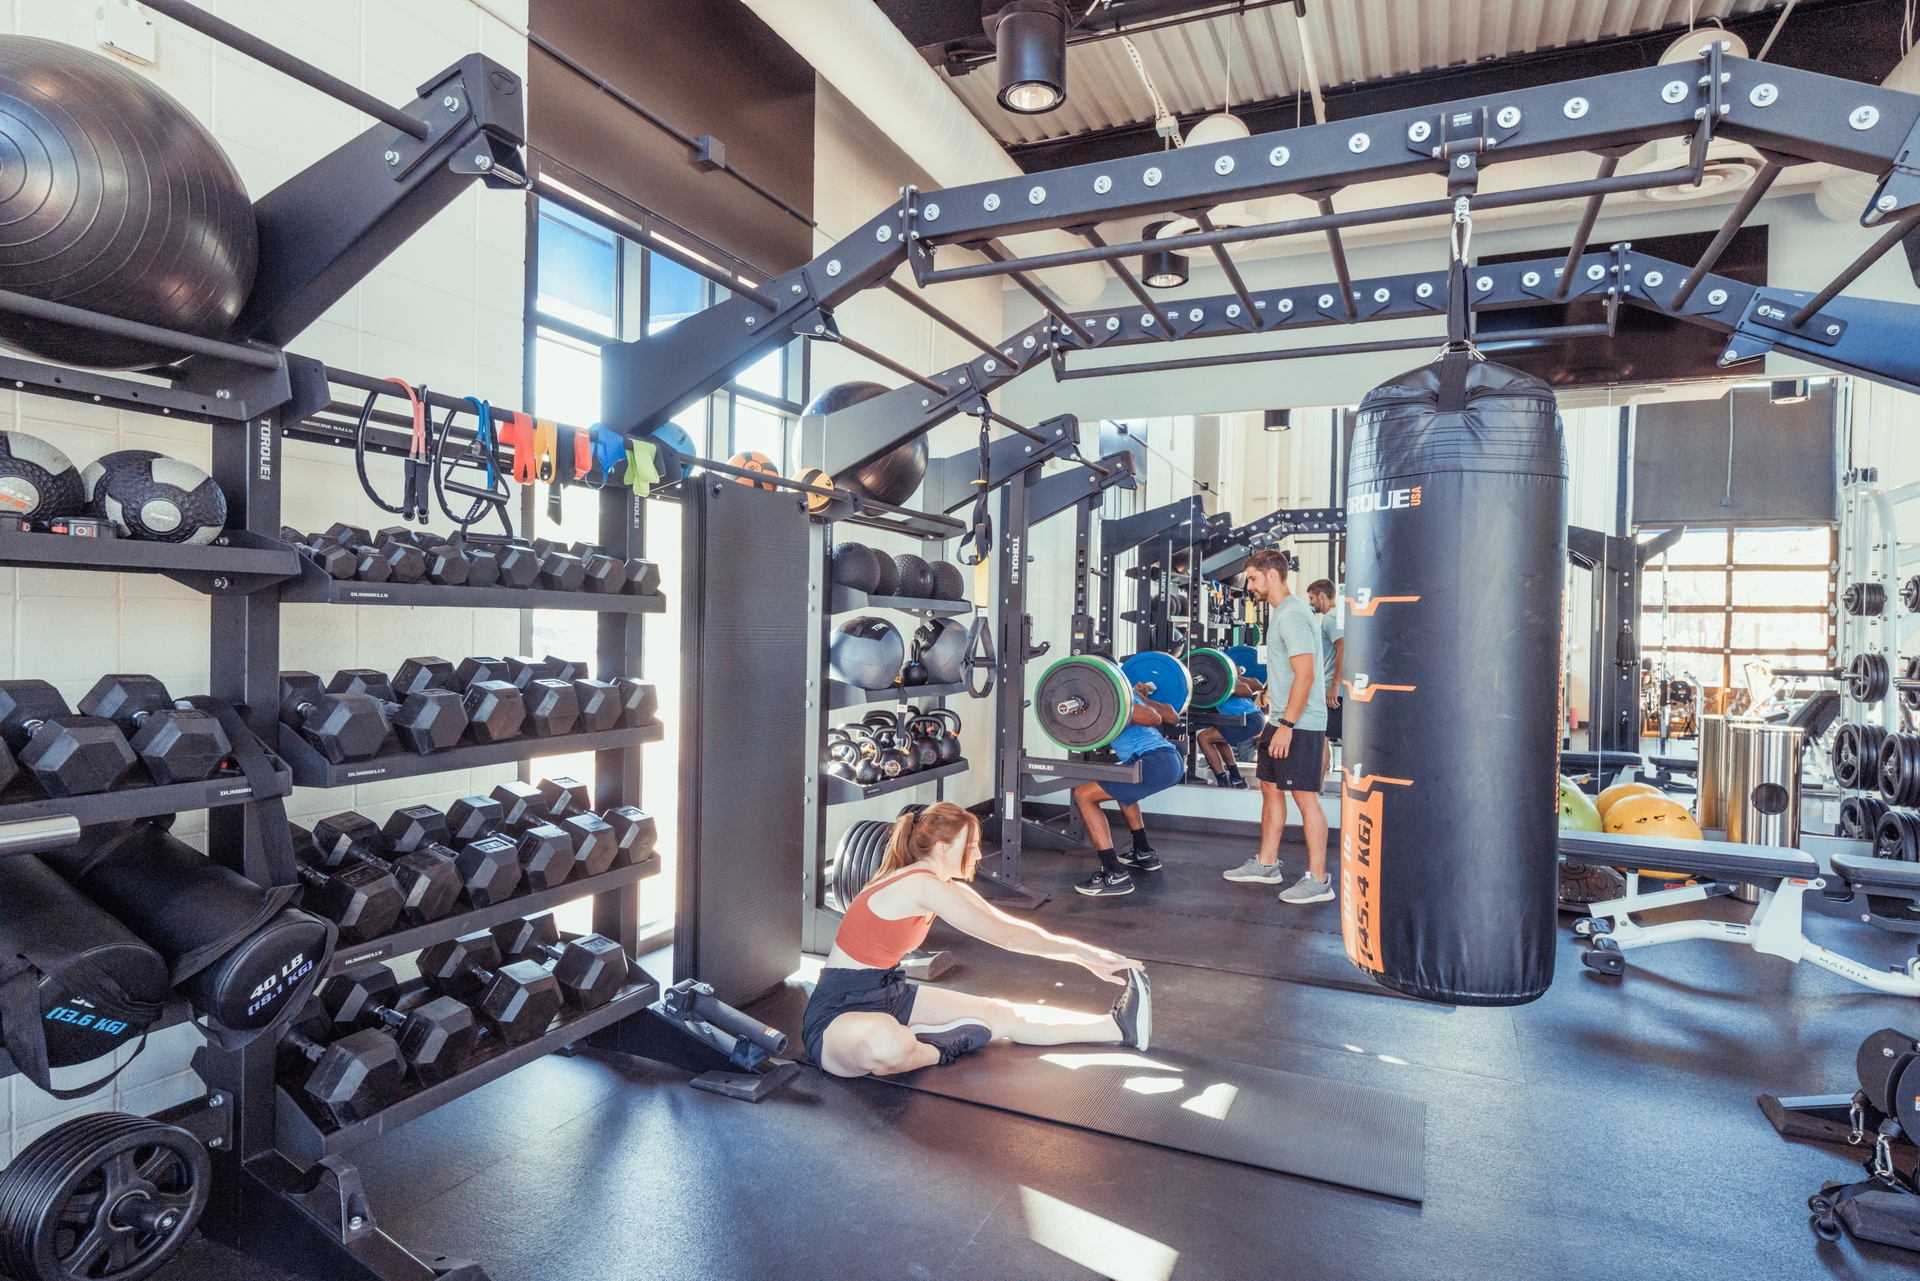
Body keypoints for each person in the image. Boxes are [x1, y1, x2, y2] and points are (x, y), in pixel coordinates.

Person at [806, 802, 1151, 1077]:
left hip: (889, 993)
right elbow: (1004, 937)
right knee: (885, 1044)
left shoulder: (940, 885)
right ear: (942, 848)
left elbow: (1010, 925)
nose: (978, 855)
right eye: (970, 846)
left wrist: (1082, 954)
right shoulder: (920, 885)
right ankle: (938, 1048)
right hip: (838, 1012)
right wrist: (1076, 952)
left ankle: (1117, 1028)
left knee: (998, 1013)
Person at [1223, 548, 1332, 904]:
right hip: (1283, 718)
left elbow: (1307, 673)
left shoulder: (1294, 615)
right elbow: (1289, 670)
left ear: (1272, 575)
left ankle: (1319, 880)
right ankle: (1267, 864)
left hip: (1299, 723)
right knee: (1269, 787)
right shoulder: (1282, 614)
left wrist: (1286, 724)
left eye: (1253, 578)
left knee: (1305, 797)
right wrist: (1270, 693)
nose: (1250, 586)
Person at [1070, 675, 1184, 896]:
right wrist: (1140, 698)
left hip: (1154, 761)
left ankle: (1114, 875)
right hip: (1169, 759)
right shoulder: (1125, 696)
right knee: (1122, 786)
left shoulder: (1117, 699)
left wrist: (1126, 703)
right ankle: (1143, 852)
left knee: (1083, 795)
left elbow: (1157, 718)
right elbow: (1171, 715)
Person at [1195, 670, 1265, 788]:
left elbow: (1250, 690)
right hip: (1251, 717)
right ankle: (1236, 778)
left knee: (1203, 738)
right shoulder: (1218, 677)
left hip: (1250, 719)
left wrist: (1232, 679)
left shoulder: (1224, 678)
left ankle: (1223, 781)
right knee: (1217, 738)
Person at [1306, 579, 1345, 780]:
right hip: (1336, 689)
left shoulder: (1330, 618)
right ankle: (1316, 787)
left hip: (1333, 692)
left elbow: (1344, 649)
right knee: (1325, 739)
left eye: (1312, 598)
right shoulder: (1339, 616)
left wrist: (1334, 687)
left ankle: (1315, 788)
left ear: (1322, 595)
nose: (1311, 602)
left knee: (1321, 739)